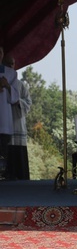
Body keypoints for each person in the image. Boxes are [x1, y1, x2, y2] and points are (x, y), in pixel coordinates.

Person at [2, 53, 31, 180]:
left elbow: (28, 103)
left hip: (16, 122)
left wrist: (18, 101)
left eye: (11, 64)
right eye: (7, 63)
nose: (10, 66)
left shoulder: (20, 84)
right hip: (3, 120)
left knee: (17, 155)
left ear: (15, 65)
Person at [0, 46, 20, 177]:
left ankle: (1, 173)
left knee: (2, 149)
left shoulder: (11, 73)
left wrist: (7, 85)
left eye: (0, 52)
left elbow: (15, 97)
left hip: (3, 116)